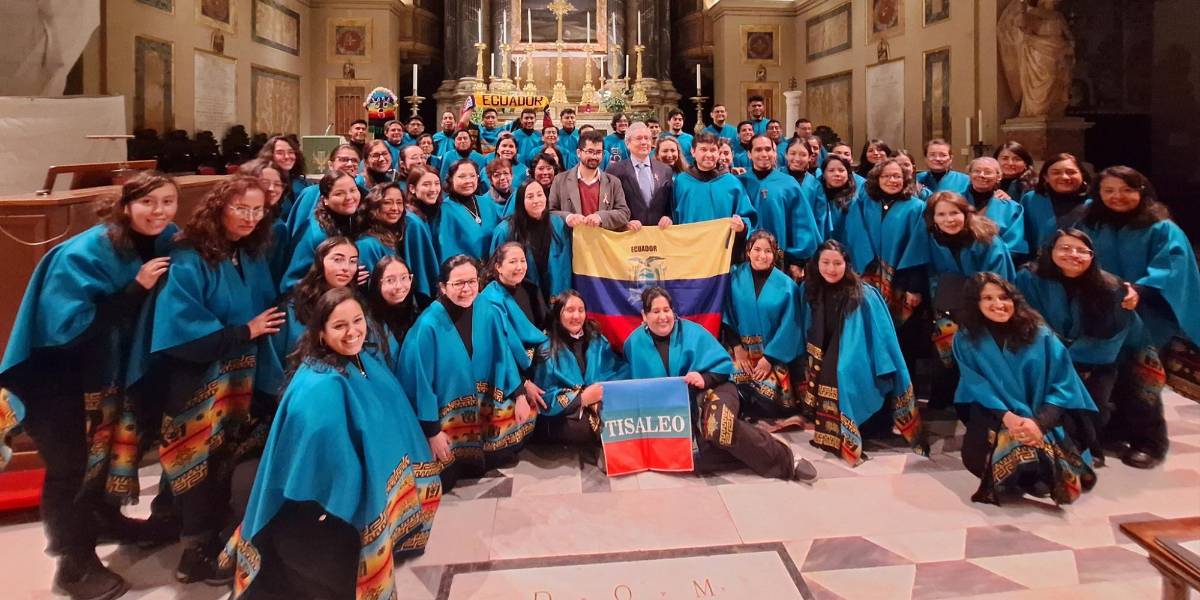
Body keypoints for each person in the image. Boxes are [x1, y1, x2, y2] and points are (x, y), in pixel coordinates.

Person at [0, 172, 181, 599]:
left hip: (105, 372)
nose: (159, 211)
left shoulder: (165, 240)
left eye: (168, 201)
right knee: (71, 468)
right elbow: (64, 329)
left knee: (106, 454)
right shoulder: (86, 252)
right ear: (125, 205)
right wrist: (135, 288)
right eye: (148, 202)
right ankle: (72, 562)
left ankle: (103, 520)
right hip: (55, 376)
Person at [223, 287, 441, 599]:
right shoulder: (320, 385)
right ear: (322, 334)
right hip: (318, 516)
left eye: (358, 321)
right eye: (340, 326)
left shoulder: (362, 359)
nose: (353, 332)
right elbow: (326, 464)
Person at [148, 175, 285, 582]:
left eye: (258, 210)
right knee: (195, 463)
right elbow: (180, 331)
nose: (250, 217)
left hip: (239, 378)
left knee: (225, 459)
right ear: (219, 207)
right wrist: (245, 331)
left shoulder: (250, 251)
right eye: (241, 208)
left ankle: (209, 536)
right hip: (198, 378)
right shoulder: (189, 255)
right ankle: (193, 552)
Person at [623, 287, 818, 482]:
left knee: (718, 426)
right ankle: (753, 443)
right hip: (680, 411)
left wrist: (703, 378)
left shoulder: (693, 332)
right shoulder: (634, 343)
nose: (662, 317)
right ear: (644, 315)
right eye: (655, 311)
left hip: (716, 387)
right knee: (696, 456)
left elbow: (724, 367)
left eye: (666, 310)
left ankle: (788, 460)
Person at [1077, 166, 1200, 468]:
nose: (1117, 196)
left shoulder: (1161, 228)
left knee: (1142, 378)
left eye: (1126, 190)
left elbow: (1172, 267)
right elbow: (1072, 252)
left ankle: (1149, 441)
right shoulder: (1091, 222)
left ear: (1141, 191)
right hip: (1103, 312)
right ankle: (1115, 432)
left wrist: (1140, 289)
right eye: (1108, 190)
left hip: (1146, 315)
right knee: (1109, 375)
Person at [953, 273, 1097, 506]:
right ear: (975, 303)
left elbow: (1064, 384)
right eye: (987, 298)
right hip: (997, 410)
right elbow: (976, 383)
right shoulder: (966, 338)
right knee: (976, 458)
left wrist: (1038, 423)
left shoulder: (1040, 333)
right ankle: (1024, 473)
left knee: (1039, 460)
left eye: (1004, 297)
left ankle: (1036, 472)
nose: (998, 304)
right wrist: (1009, 417)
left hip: (1043, 412)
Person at [398, 255, 534, 491]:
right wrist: (432, 432)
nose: (467, 289)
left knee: (528, 415)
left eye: (472, 281)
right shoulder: (428, 325)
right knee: (438, 472)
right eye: (458, 283)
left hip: (483, 405)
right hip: (444, 416)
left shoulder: (486, 309)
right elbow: (420, 382)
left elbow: (502, 355)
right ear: (443, 287)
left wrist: (520, 393)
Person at [1016, 229, 1138, 466]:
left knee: (1093, 403)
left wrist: (1078, 359)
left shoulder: (1111, 286)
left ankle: (1086, 448)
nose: (1073, 254)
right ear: (1050, 250)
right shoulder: (1029, 278)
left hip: (1094, 360)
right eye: (1065, 248)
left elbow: (1115, 332)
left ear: (1092, 256)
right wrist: (1057, 358)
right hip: (1045, 355)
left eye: (1082, 251)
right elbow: (1024, 318)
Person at [798, 241, 925, 466]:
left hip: (862, 356)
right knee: (828, 367)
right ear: (816, 263)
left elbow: (882, 336)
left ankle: (854, 431)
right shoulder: (811, 289)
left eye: (837, 263)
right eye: (825, 262)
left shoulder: (864, 293)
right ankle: (831, 435)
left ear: (847, 264)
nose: (831, 269)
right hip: (826, 350)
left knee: (842, 370)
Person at [924, 192, 1016, 408]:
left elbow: (999, 281)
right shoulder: (932, 238)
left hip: (984, 307)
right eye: (941, 214)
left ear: (966, 213)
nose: (949, 219)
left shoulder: (988, 240)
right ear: (933, 218)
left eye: (954, 213)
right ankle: (943, 403)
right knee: (944, 357)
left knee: (980, 357)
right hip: (946, 306)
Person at [722, 232, 805, 427]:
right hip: (742, 352)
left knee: (769, 399)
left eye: (768, 251)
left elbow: (790, 327)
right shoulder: (734, 278)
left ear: (774, 254)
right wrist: (737, 348)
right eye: (757, 250)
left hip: (773, 356)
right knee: (733, 387)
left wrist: (768, 359)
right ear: (748, 251)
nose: (762, 255)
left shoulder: (788, 286)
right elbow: (727, 314)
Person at [531, 290, 628, 445]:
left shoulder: (597, 340)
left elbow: (613, 370)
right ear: (558, 314)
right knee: (577, 429)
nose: (576, 316)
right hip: (566, 412)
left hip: (597, 401)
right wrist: (581, 399)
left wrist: (599, 393)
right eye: (570, 310)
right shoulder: (547, 349)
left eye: (581, 310)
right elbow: (545, 395)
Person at [843, 158, 930, 327]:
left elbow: (918, 250)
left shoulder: (916, 207)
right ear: (877, 179)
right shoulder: (864, 203)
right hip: (866, 274)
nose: (892, 180)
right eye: (886, 176)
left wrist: (914, 287)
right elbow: (854, 237)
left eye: (897, 176)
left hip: (901, 280)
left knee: (899, 329)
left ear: (905, 179)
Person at [737, 135, 821, 278]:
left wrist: (797, 260)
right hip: (744, 258)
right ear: (749, 154)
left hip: (780, 259)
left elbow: (801, 224)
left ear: (775, 153)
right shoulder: (739, 183)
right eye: (758, 150)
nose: (764, 154)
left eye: (768, 149)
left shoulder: (789, 184)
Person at [275, 237, 363, 356]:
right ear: (320, 261)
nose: (346, 268)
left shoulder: (355, 302)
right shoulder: (292, 306)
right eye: (338, 260)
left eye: (353, 261)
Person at [356, 181, 439, 303]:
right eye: (387, 203)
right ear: (374, 207)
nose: (395, 208)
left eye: (399, 203)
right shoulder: (367, 245)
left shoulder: (402, 234)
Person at [282, 171, 363, 293]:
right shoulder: (316, 234)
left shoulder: (353, 220)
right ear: (325, 199)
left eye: (353, 190)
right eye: (339, 193)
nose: (349, 197)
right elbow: (291, 283)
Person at [491, 180, 573, 299]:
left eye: (540, 194)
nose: (536, 200)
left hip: (556, 296)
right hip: (521, 298)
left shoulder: (558, 224)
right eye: (530, 196)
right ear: (521, 201)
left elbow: (565, 265)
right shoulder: (505, 230)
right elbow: (496, 270)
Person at [673, 132, 756, 242]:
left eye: (713, 150)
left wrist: (742, 227)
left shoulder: (732, 183)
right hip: (688, 245)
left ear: (718, 153)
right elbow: (672, 214)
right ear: (693, 152)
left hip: (721, 247)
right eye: (703, 149)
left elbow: (747, 218)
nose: (709, 155)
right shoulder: (681, 181)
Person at [548, 129, 631, 231]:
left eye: (598, 152)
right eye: (590, 151)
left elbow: (624, 213)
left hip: (602, 239)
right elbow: (550, 212)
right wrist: (567, 217)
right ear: (579, 153)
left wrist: (600, 217)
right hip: (571, 239)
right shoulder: (560, 180)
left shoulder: (613, 182)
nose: (594, 156)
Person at [289, 144, 367, 241]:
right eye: (343, 159)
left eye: (354, 160)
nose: (350, 164)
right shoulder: (310, 193)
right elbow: (298, 234)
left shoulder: (364, 194)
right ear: (330, 164)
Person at [608, 122, 676, 230]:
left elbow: (670, 204)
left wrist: (668, 218)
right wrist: (624, 224)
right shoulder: (614, 171)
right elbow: (610, 206)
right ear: (628, 143)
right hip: (629, 234)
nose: (644, 142)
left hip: (659, 233)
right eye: (639, 138)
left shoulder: (665, 170)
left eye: (647, 138)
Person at [1019, 152, 1092, 253]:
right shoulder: (1032, 200)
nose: (1064, 177)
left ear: (1082, 174)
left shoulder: (1094, 203)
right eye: (1056, 173)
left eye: (1071, 172)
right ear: (1046, 177)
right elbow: (1022, 238)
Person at [238, 159, 292, 286]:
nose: (271, 189)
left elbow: (274, 275)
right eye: (265, 182)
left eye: (277, 184)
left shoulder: (278, 228)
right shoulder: (235, 222)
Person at [961, 157, 1028, 255]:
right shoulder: (955, 202)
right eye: (976, 171)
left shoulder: (1012, 208)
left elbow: (1014, 244)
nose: (982, 175)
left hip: (996, 260)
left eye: (988, 172)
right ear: (969, 175)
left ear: (999, 177)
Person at [438, 160, 500, 262]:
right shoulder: (444, 210)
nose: (468, 181)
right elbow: (446, 251)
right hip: (463, 268)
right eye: (462, 176)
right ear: (451, 179)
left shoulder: (487, 202)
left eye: (472, 176)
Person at [368, 255, 422, 357]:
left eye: (404, 278)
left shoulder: (419, 309)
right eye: (390, 280)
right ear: (377, 283)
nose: (399, 286)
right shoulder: (368, 323)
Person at [258, 135, 308, 221]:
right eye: (280, 153)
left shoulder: (303, 184)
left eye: (291, 152)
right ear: (270, 155)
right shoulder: (261, 184)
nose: (287, 156)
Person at [810, 155, 858, 243]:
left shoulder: (856, 200)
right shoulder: (815, 196)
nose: (837, 174)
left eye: (841, 170)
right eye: (831, 170)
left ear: (848, 174)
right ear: (823, 174)